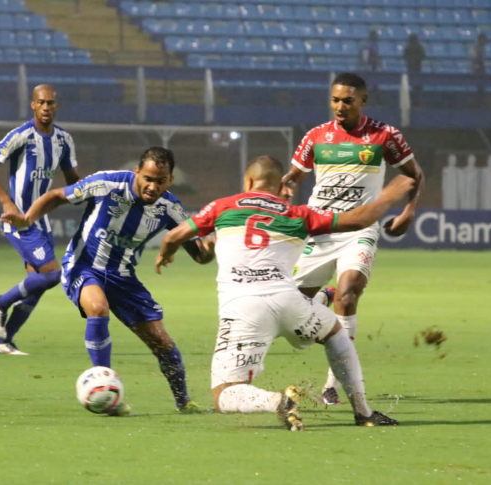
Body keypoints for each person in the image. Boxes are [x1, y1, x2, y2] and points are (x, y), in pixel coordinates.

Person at [157, 156, 414, 429]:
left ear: (248, 182)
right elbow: (355, 221)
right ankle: (363, 412)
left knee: (224, 394)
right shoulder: (297, 214)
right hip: (291, 303)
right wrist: (386, 197)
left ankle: (277, 402)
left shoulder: (222, 206)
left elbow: (174, 236)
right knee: (335, 331)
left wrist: (165, 254)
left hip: (245, 310)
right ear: (279, 186)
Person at [8, 147, 215, 415]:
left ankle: (184, 403)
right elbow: (57, 196)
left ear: (170, 180)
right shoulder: (107, 183)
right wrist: (27, 219)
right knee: (97, 307)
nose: (153, 186)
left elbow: (198, 255)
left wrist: (208, 253)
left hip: (124, 277)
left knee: (162, 342)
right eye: (148, 178)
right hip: (84, 266)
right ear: (137, 172)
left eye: (160, 181)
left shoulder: (170, 207)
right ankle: (105, 392)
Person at [281, 72, 424, 406]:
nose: (339, 106)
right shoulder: (316, 136)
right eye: (335, 100)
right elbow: (293, 178)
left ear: (363, 101)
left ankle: (333, 385)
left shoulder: (384, 135)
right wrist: (284, 192)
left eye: (347, 100)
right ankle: (320, 300)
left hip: (360, 229)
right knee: (291, 316)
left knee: (349, 293)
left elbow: (414, 174)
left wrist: (408, 212)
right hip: (321, 229)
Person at [0, 84, 79, 356]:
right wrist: (5, 201)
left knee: (38, 284)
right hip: (18, 220)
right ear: (33, 105)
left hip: (41, 220)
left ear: (56, 105)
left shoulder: (63, 141)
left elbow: (72, 182)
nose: (46, 107)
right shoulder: (21, 136)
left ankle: (3, 341)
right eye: (41, 102)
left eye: (51, 103)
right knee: (53, 274)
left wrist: (93, 198)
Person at [403, 33, 425, 107]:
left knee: (414, 86)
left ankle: (414, 101)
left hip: (412, 68)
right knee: (417, 87)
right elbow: (423, 57)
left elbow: (405, 56)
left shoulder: (408, 47)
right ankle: (416, 102)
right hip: (416, 69)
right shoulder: (419, 47)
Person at [470, 33, 487, 107]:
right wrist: (477, 65)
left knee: (481, 87)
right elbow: (474, 57)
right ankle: (477, 103)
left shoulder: (482, 47)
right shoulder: (475, 47)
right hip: (477, 69)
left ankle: (481, 101)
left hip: (481, 69)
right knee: (478, 86)